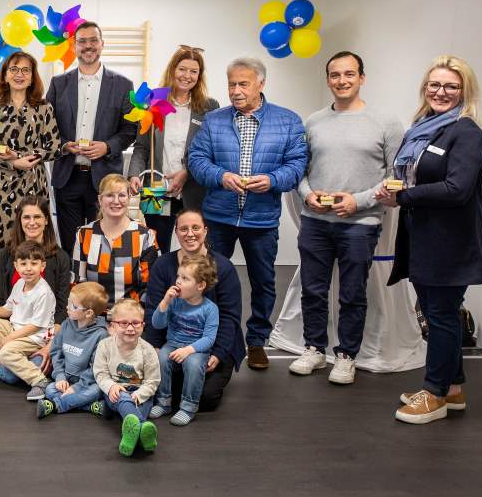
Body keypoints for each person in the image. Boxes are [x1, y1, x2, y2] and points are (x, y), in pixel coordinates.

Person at [377, 56, 482, 425]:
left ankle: (435, 392)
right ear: (425, 89)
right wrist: (398, 190)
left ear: (464, 92)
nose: (441, 92)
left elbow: (457, 189)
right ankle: (453, 388)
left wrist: (404, 198)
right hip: (423, 237)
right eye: (435, 85)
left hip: (449, 243)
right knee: (439, 314)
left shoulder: (466, 131)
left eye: (451, 86)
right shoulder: (424, 128)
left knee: (440, 316)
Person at [290, 51, 404, 385]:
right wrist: (307, 194)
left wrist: (358, 201)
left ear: (362, 78)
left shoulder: (386, 122)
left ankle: (346, 355)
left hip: (361, 223)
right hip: (315, 221)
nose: (342, 81)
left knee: (352, 293)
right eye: (335, 75)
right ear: (328, 79)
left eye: (349, 74)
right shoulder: (312, 122)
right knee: (312, 290)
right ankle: (313, 348)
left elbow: (397, 176)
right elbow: (300, 169)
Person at [187, 57, 307, 370]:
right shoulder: (214, 120)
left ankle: (256, 341)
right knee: (209, 279)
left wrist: (271, 181)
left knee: (264, 282)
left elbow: (296, 166)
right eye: (232, 84)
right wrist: (220, 176)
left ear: (261, 84)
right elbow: (197, 159)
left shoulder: (288, 121)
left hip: (262, 219)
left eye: (244, 84)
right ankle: (213, 337)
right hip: (218, 217)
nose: (236, 91)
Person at [46, 21, 137, 257]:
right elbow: (46, 128)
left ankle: (102, 291)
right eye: (82, 41)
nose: (88, 46)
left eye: (93, 40)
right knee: (70, 244)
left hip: (105, 179)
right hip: (68, 176)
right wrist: (65, 145)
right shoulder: (58, 84)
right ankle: (74, 290)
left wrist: (107, 147)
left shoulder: (123, 85)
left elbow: (130, 129)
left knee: (105, 244)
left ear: (102, 44)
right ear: (74, 46)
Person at [143, 209, 245, 413]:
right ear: (176, 232)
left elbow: (230, 316)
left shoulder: (223, 267)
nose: (190, 233)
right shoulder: (163, 265)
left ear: (205, 231)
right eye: (183, 229)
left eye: (196, 228)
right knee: (157, 391)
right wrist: (154, 346)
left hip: (212, 343)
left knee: (205, 398)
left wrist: (218, 352)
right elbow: (154, 307)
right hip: (173, 341)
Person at [127, 45, 219, 251]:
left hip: (194, 189)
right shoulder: (152, 102)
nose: (187, 76)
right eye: (182, 69)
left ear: (199, 75)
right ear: (172, 70)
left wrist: (186, 173)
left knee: (195, 248)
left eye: (193, 71)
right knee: (156, 247)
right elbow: (141, 148)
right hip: (155, 189)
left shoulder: (209, 107)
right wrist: (134, 174)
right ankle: (161, 283)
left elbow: (211, 152)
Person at [0, 50, 62, 266]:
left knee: (33, 241)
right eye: (14, 69)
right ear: (4, 75)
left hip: (33, 184)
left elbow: (54, 148)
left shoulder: (44, 108)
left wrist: (25, 157)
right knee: (3, 244)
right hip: (1, 187)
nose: (19, 74)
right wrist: (12, 162)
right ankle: (2, 295)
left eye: (26, 70)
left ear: (33, 76)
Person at [0, 241, 55, 401]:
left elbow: (35, 326)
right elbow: (9, 309)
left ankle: (39, 381)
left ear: (42, 266)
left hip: (34, 337)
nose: (28, 268)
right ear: (16, 266)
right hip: (16, 329)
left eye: (34, 264)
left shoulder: (43, 292)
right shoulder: (20, 284)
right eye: (23, 263)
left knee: (6, 352)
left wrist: (8, 339)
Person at [148, 254, 219, 426]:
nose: (178, 281)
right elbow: (157, 324)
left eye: (185, 278)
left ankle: (188, 407)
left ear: (200, 286)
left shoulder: (210, 309)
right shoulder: (174, 302)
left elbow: (209, 339)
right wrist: (165, 302)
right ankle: (163, 401)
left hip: (196, 348)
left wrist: (189, 350)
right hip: (172, 343)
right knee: (161, 358)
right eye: (178, 276)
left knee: (193, 365)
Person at [73, 173, 159, 305]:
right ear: (100, 199)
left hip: (132, 317)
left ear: (129, 198)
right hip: (93, 315)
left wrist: (130, 316)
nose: (116, 201)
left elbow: (150, 287)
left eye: (122, 195)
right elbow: (79, 284)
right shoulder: (84, 234)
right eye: (110, 195)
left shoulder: (146, 236)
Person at [93, 298, 160, 457]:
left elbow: (153, 381)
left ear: (143, 326)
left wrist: (139, 394)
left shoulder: (148, 350)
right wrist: (111, 386)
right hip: (116, 390)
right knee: (123, 399)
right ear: (113, 326)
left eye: (135, 323)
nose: (130, 328)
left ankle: (134, 435)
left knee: (138, 407)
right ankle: (143, 432)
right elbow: (100, 373)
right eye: (124, 323)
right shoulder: (105, 345)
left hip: (141, 393)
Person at [0, 196, 72, 324]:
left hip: (45, 326)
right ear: (20, 221)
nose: (32, 222)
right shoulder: (7, 253)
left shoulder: (61, 257)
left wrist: (51, 331)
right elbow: (0, 298)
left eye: (37, 217)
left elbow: (63, 306)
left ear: (46, 220)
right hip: (11, 322)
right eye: (27, 217)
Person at [35, 281, 110, 419]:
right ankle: (90, 407)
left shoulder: (101, 335)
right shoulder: (66, 324)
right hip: (66, 378)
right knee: (50, 389)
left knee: (96, 391)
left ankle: (55, 405)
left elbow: (96, 368)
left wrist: (77, 388)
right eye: (69, 302)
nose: (67, 307)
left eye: (73, 306)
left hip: (87, 382)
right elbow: (56, 352)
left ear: (88, 313)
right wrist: (60, 377)